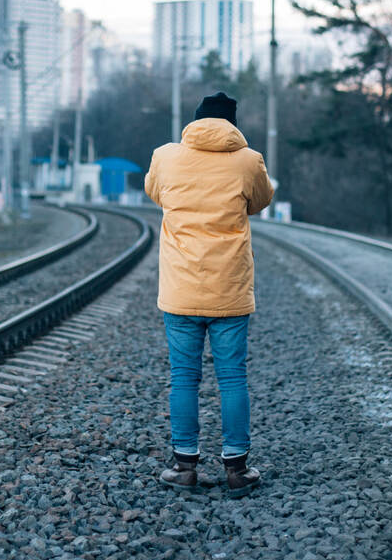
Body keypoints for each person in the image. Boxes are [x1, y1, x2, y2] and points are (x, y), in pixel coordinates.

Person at [143, 91, 274, 497]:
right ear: (233, 125)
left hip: (181, 290)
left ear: (195, 120)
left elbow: (155, 193)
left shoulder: (165, 157)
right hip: (229, 290)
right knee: (232, 377)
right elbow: (261, 201)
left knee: (184, 377)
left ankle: (184, 468)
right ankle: (237, 469)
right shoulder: (248, 160)